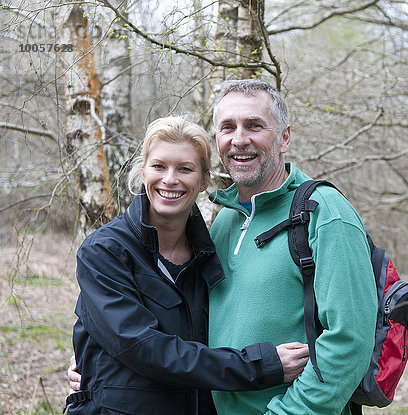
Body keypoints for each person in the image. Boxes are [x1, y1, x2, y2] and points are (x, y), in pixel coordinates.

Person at [65, 116, 309, 415]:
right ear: (143, 172)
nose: (170, 179)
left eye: (185, 168)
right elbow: (142, 347)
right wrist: (261, 366)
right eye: (159, 166)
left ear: (204, 179)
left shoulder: (211, 249)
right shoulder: (105, 251)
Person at [206, 79, 378, 414]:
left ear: (284, 137)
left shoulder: (325, 213)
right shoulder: (223, 222)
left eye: (255, 126)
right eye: (228, 127)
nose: (239, 139)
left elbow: (349, 341)